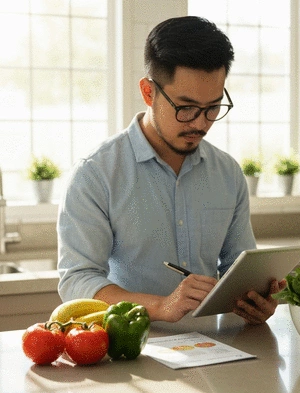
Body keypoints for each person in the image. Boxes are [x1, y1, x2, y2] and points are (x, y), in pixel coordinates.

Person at [57, 16, 285, 325]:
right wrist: (161, 306)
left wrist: (256, 302)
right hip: (128, 353)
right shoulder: (96, 173)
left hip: (213, 350)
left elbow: (238, 269)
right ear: (148, 92)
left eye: (213, 108)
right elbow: (77, 282)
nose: (200, 123)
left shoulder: (228, 173)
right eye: (186, 107)